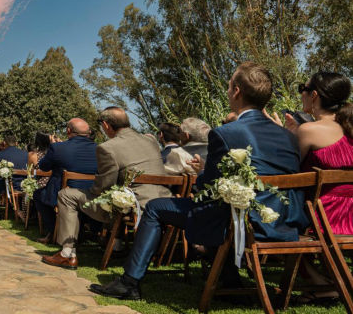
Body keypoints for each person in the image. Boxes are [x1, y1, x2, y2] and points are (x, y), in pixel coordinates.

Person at [91, 62, 306, 301]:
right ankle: (229, 278)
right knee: (216, 206)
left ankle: (130, 281)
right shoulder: (288, 136)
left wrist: (201, 176)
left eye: (228, 86)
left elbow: (207, 188)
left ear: (236, 91)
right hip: (285, 222)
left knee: (155, 208)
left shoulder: (226, 133)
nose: (227, 92)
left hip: (241, 222)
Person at [42, 107, 172, 270]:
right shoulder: (150, 140)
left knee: (67, 195)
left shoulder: (108, 147)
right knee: (115, 193)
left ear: (106, 125)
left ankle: (67, 254)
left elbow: (103, 187)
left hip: (133, 206)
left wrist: (89, 190)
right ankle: (115, 245)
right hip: (164, 199)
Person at [286, 73, 353, 234]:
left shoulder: (309, 130)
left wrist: (283, 135)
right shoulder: (349, 126)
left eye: (303, 88)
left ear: (314, 95)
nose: (301, 93)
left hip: (324, 217)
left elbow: (288, 170)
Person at [34, 119, 98, 242]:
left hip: (63, 193)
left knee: (38, 194)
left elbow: (44, 166)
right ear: (88, 132)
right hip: (92, 194)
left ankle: (53, 231)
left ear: (68, 130)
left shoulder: (58, 148)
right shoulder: (99, 149)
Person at [0, 133, 27, 219]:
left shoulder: (1, 154)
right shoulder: (25, 154)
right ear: (16, 143)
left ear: (4, 143)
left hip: (8, 186)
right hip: (23, 185)